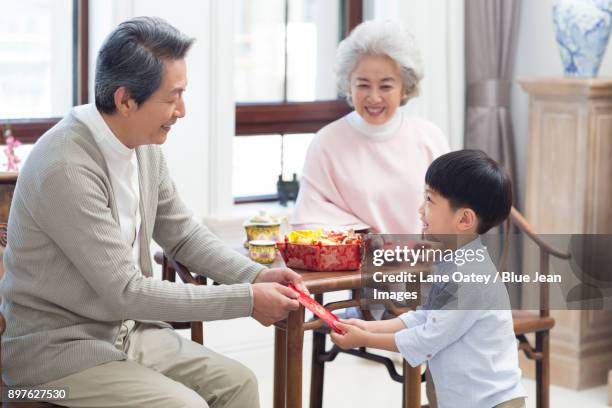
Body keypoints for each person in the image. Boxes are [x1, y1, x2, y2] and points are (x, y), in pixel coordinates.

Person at [0, 17, 306, 408]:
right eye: (172, 97)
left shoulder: (143, 147)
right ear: (126, 100)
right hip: (52, 358)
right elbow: (126, 292)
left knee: (239, 384)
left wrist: (256, 275)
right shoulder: (65, 167)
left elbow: (184, 236)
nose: (182, 110)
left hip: (126, 334)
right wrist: (247, 300)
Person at [330, 150, 527, 408]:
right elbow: (423, 316)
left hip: (491, 403)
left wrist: (364, 339)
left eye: (430, 200)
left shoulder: (469, 276)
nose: (420, 210)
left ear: (464, 219)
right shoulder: (452, 261)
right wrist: (368, 327)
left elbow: (426, 340)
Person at [291, 20, 449, 234]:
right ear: (348, 85)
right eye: (363, 85)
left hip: (426, 262)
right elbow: (309, 217)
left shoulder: (430, 137)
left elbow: (452, 213)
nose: (374, 98)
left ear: (405, 88)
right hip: (354, 265)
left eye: (386, 86)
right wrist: (366, 235)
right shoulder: (326, 142)